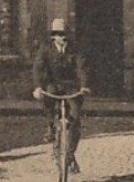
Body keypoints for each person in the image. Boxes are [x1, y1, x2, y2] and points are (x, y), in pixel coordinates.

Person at [31, 17, 91, 174]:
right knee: (47, 98)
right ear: (53, 35)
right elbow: (38, 68)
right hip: (53, 85)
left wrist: (84, 86)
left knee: (75, 117)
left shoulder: (75, 49)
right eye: (57, 34)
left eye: (63, 33)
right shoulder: (46, 49)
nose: (61, 37)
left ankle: (70, 155)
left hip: (71, 86)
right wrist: (38, 87)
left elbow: (81, 68)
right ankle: (51, 125)